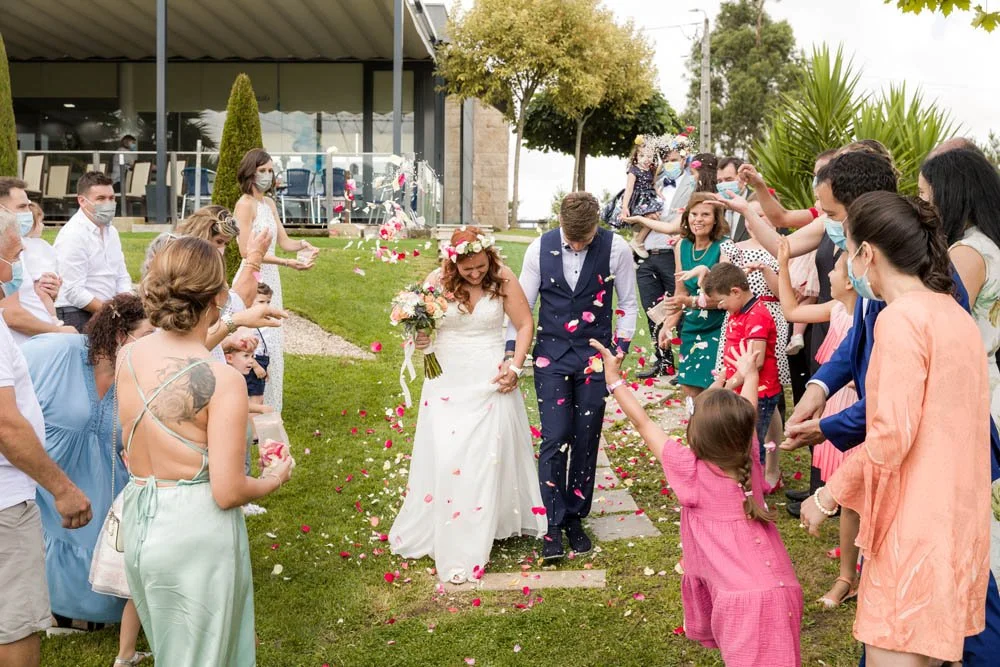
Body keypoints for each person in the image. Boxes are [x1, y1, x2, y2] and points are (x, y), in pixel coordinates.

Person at [799, 192, 991, 665]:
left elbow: (890, 437)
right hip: (960, 524)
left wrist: (827, 495)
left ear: (867, 254)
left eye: (848, 249)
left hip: (916, 526)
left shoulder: (902, 319)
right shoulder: (953, 313)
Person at [119, 237, 294, 665]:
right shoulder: (223, 381)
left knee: (175, 652)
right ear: (219, 296)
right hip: (195, 530)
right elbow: (228, 490)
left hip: (142, 517)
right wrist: (274, 477)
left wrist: (226, 331)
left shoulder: (129, 355)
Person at [592, 337, 802, 666]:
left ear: (695, 433)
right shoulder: (748, 455)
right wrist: (749, 374)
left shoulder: (688, 469)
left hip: (742, 599)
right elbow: (747, 410)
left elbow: (643, 422)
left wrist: (614, 381)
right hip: (781, 586)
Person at [389, 227, 546, 583]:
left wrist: (515, 365)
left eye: (479, 267)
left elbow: (523, 325)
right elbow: (420, 329)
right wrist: (421, 334)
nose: (474, 274)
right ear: (453, 262)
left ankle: (485, 525)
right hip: (447, 379)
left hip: (490, 375)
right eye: (467, 269)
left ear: (488, 257)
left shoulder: (503, 277)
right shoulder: (436, 281)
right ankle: (447, 521)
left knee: (485, 456)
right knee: (449, 455)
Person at [23, 295, 154, 664]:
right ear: (118, 336)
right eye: (146, 334)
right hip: (44, 479)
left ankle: (85, 615)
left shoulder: (137, 376)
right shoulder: (56, 353)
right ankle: (50, 609)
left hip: (103, 487)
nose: (154, 343)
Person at [512, 192, 638, 560]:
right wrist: (512, 352)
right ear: (561, 223)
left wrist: (620, 351)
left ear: (597, 224)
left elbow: (628, 304)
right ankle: (552, 522)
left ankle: (574, 517)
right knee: (555, 435)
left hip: (596, 358)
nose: (579, 244)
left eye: (586, 238)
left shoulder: (618, 250)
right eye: (573, 238)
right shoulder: (539, 249)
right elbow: (524, 307)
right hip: (551, 355)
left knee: (586, 436)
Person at [0, 211, 92, 667]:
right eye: (12, 244)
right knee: (15, 624)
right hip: (4, 503)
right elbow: (5, 424)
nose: (20, 251)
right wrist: (62, 487)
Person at [919, 147, 1000, 583]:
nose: (924, 205)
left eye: (926, 195)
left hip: (967, 387)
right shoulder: (987, 244)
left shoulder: (968, 253)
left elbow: (942, 325)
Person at [776, 237, 861, 609]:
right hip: (836, 402)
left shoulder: (870, 314)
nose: (829, 271)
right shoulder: (837, 309)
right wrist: (780, 267)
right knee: (851, 494)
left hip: (859, 407)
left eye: (837, 268)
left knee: (865, 492)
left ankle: (862, 568)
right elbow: (792, 311)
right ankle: (847, 574)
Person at [234, 149, 317, 415]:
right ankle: (246, 405)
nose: (267, 176)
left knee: (273, 338)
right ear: (251, 172)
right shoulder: (244, 204)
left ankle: (270, 406)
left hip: (272, 278)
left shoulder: (269, 204)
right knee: (254, 336)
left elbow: (284, 242)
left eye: (270, 170)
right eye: (262, 170)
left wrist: (304, 245)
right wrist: (285, 262)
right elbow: (247, 251)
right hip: (253, 275)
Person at [703, 263, 782, 488]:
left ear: (736, 291)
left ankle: (752, 489)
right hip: (741, 387)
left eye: (721, 301)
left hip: (759, 392)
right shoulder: (738, 312)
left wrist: (727, 386)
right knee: (741, 438)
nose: (721, 306)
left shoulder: (757, 316)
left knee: (752, 443)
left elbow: (754, 363)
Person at [657, 193, 727, 400]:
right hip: (692, 326)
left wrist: (689, 302)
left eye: (705, 214)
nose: (698, 219)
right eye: (694, 214)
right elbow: (681, 291)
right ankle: (695, 431)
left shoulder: (725, 246)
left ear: (716, 219)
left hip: (719, 326)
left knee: (714, 392)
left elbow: (724, 297)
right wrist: (668, 324)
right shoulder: (682, 246)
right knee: (689, 388)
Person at [54, 171, 132, 332]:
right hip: (76, 312)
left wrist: (127, 305)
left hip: (108, 310)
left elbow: (121, 276)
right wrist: (111, 311)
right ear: (82, 201)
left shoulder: (112, 233)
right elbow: (73, 291)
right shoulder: (73, 235)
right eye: (101, 199)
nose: (108, 204)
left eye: (112, 198)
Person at [0, 177, 72, 345]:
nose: (28, 213)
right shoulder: (6, 250)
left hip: (40, 339)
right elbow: (11, 314)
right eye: (22, 207)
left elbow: (29, 297)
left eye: (28, 205)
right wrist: (59, 331)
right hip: (26, 346)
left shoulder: (23, 246)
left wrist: (49, 294)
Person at [620, 136, 663, 259]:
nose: (645, 159)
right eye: (642, 156)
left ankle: (633, 252)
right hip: (638, 200)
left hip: (649, 198)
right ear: (636, 157)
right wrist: (624, 206)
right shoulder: (634, 170)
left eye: (649, 156)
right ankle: (638, 242)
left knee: (654, 217)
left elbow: (653, 184)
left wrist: (658, 192)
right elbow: (629, 189)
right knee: (652, 218)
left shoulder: (650, 170)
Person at [716, 157, 752, 242]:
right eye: (719, 181)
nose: (723, 184)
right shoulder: (716, 205)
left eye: (729, 179)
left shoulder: (756, 203)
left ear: (743, 178)